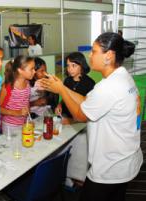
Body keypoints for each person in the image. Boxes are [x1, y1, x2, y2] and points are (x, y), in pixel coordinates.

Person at [39, 32, 143, 201]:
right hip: (125, 159)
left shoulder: (108, 87)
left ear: (108, 56)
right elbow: (88, 101)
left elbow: (80, 115)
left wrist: (61, 90)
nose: (90, 55)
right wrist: (63, 88)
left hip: (110, 167)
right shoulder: (122, 78)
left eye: (94, 51)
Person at [55, 52, 95, 124]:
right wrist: (60, 105)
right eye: (68, 66)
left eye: (74, 65)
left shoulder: (90, 83)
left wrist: (71, 121)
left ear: (81, 66)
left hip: (79, 121)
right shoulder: (67, 80)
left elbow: (88, 112)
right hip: (65, 117)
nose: (70, 69)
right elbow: (65, 97)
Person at [0, 55, 35, 133]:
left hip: (24, 124)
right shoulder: (7, 87)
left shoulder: (28, 84)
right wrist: (16, 113)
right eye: (31, 69)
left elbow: (26, 103)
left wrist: (29, 117)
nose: (34, 71)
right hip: (10, 126)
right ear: (20, 70)